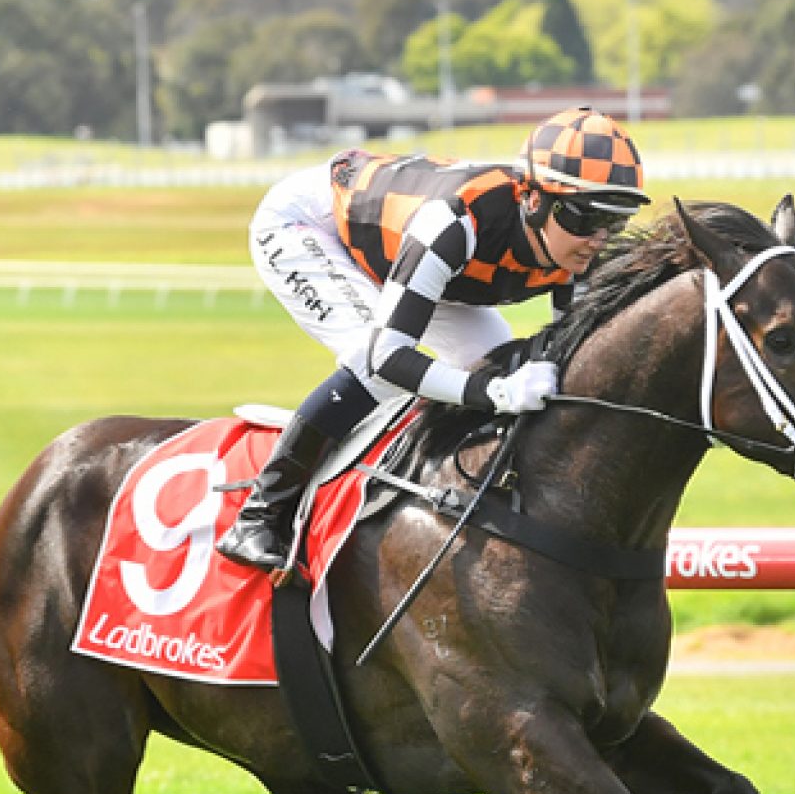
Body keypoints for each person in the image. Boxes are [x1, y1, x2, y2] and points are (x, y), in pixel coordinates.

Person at [215, 106, 650, 573]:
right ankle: (260, 514)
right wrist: (494, 393)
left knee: (491, 359)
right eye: (584, 219)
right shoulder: (454, 222)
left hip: (418, 258)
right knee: (371, 364)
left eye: (614, 222)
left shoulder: (579, 245)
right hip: (315, 225)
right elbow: (389, 357)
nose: (597, 240)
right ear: (532, 199)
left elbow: (573, 356)